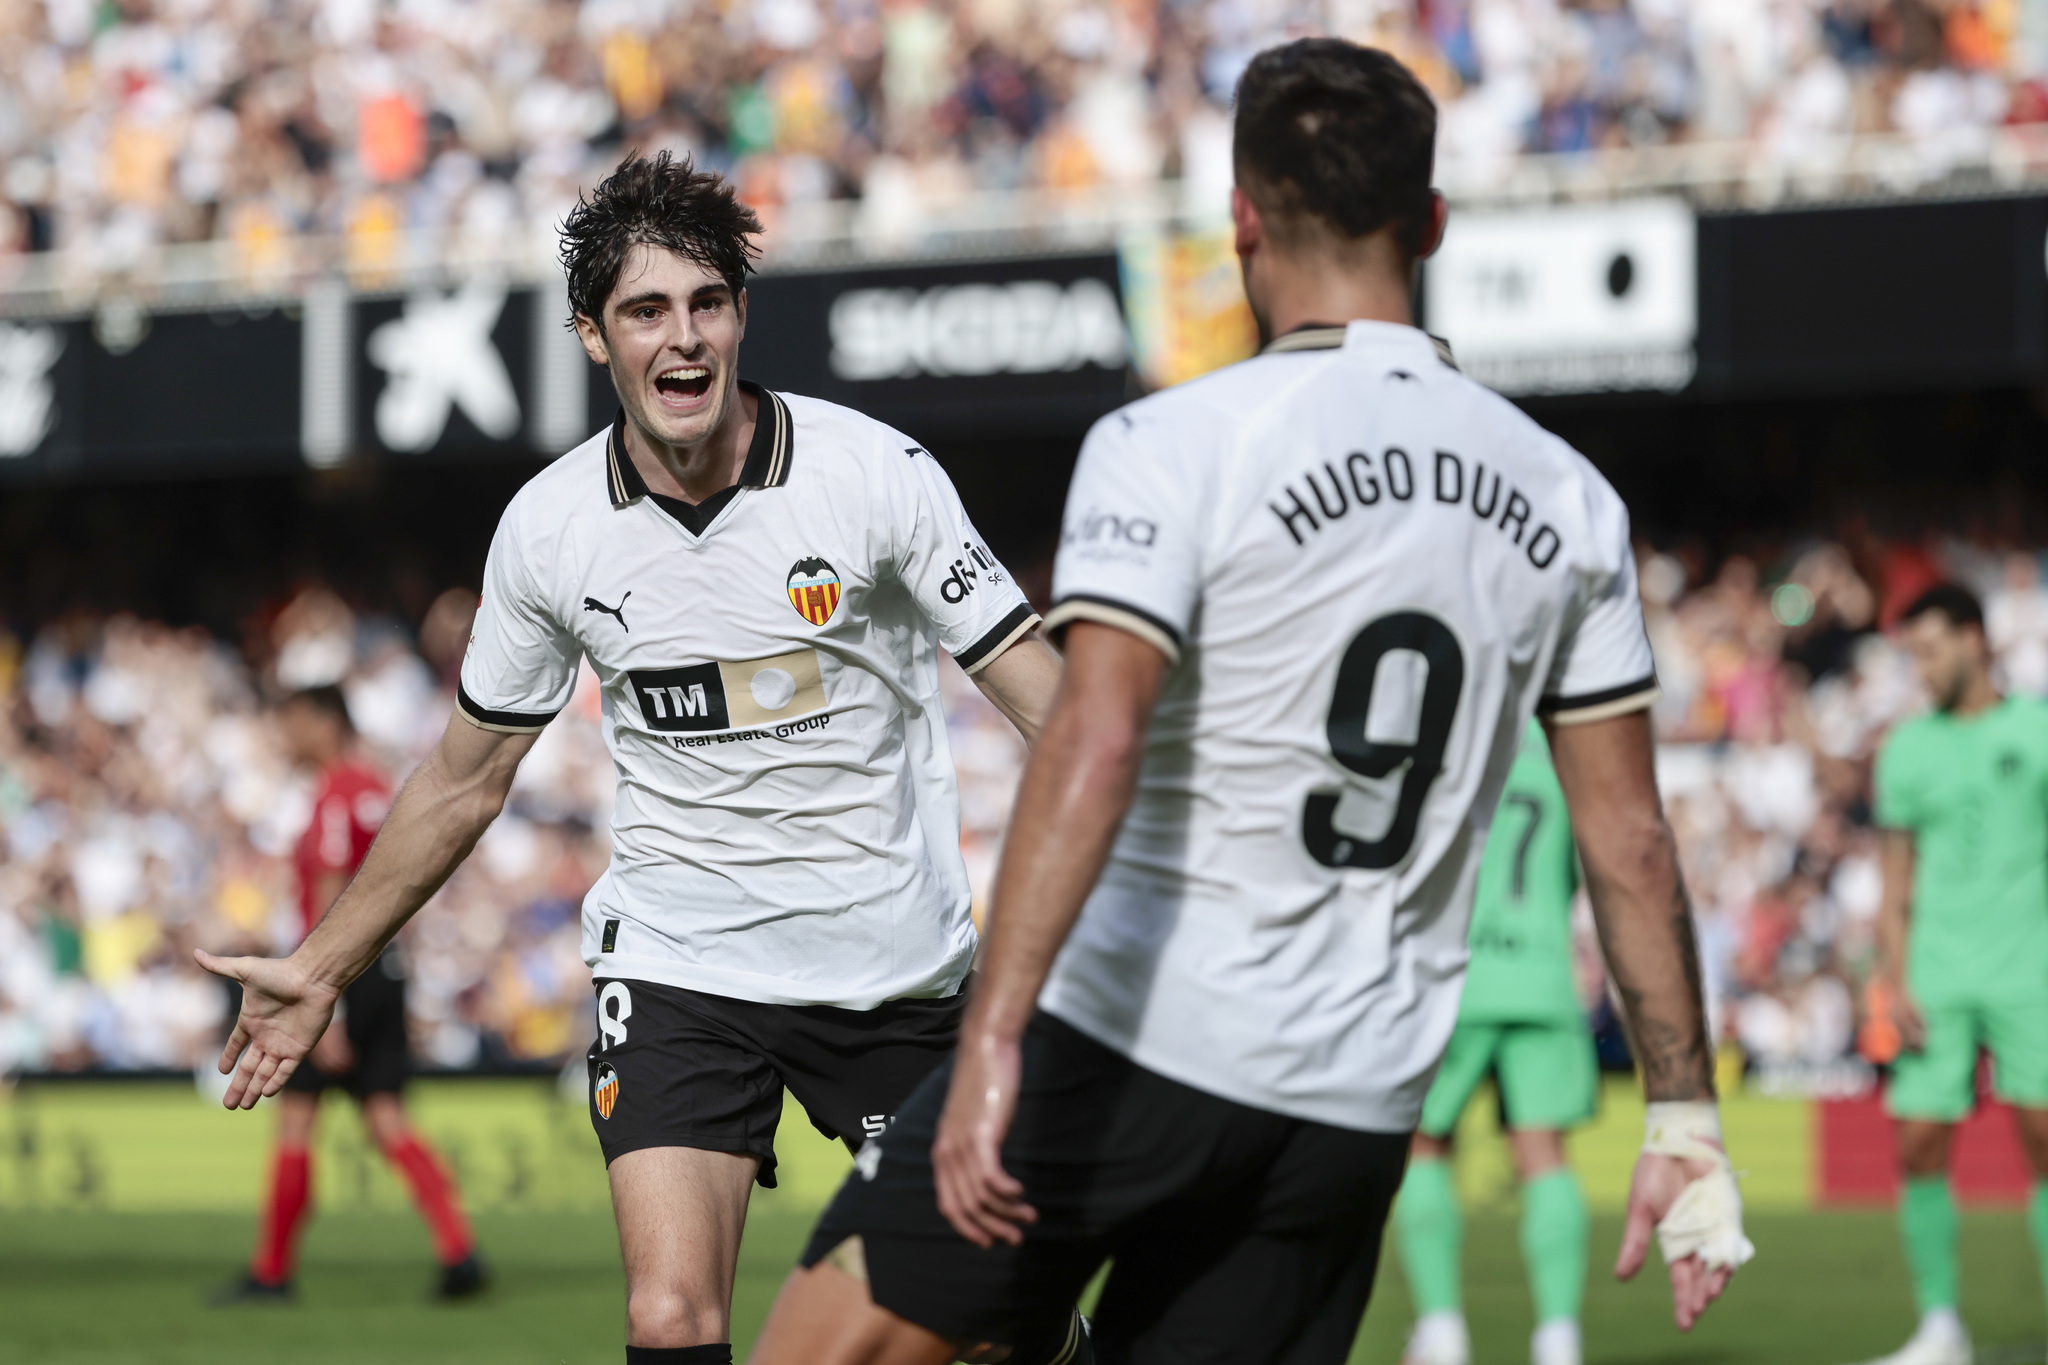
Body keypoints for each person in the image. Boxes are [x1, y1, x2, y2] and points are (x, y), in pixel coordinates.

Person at [747, 39, 1753, 1365]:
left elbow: (1096, 738)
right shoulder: (1570, 497)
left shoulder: (1174, 442)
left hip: (1134, 1041)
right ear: (1433, 222)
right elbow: (1629, 841)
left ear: (1240, 219)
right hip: (1350, 1097)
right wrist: (1684, 1117)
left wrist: (991, 1036)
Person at [196, 152, 1066, 1365]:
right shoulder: (550, 531)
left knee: (986, 1330)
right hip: (679, 967)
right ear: (592, 337)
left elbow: (1050, 706)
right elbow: (463, 777)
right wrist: (323, 966)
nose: (684, 338)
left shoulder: (875, 476)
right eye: (645, 311)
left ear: (741, 314)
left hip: (891, 970)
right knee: (667, 1317)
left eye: (707, 302)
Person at [211, 686, 483, 1304]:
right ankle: (459, 1251)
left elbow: (332, 896)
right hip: (383, 971)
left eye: (295, 722)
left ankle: (271, 1272)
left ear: (324, 723)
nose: (288, 735)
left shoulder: (334, 796)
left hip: (337, 981)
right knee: (386, 1115)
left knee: (296, 1120)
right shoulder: (375, 789)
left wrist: (320, 1001)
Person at [1861, 584, 2048, 1365]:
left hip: (2030, 971)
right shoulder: (1906, 749)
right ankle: (1941, 1327)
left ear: (1976, 638)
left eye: (1932, 649)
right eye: (1913, 654)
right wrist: (1894, 980)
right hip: (1935, 974)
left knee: (2046, 1140)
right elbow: (1895, 878)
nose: (1922, 667)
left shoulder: (2037, 729)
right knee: (1918, 1143)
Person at [1396, 720, 1596, 1365]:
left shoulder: (1459, 726)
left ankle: (1442, 1330)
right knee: (1544, 1155)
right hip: (1542, 971)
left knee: (1423, 1146)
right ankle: (1559, 1338)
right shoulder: (1566, 747)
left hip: (1455, 973)